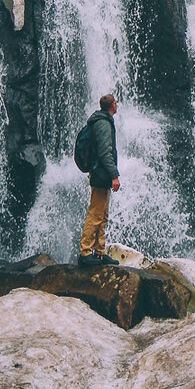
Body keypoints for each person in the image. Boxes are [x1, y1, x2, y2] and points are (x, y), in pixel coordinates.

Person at [77, 93, 121, 267]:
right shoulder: (103, 123)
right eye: (116, 103)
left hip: (102, 173)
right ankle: (86, 252)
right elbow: (104, 152)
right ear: (112, 106)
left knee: (102, 214)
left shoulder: (103, 121)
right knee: (95, 214)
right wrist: (114, 175)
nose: (117, 105)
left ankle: (100, 252)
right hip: (101, 173)